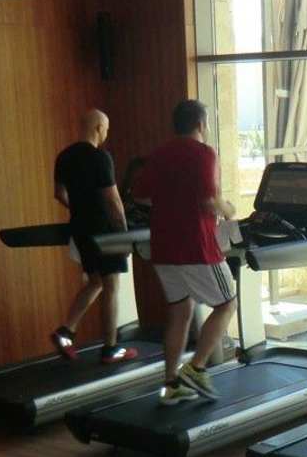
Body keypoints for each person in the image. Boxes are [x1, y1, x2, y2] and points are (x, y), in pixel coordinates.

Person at [137, 100, 237, 406]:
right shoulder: (204, 153)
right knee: (227, 304)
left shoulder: (159, 153)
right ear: (201, 124)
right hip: (197, 246)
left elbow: (141, 195)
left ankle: (171, 384)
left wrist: (172, 203)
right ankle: (196, 367)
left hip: (164, 248)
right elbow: (209, 200)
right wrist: (229, 210)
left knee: (180, 313)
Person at [50, 109, 138, 364]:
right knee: (112, 286)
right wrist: (124, 235)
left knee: (96, 281)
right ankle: (111, 348)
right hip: (105, 232)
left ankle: (66, 330)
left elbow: (59, 193)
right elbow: (113, 201)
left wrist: (80, 211)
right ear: (99, 128)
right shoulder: (101, 157)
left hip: (80, 229)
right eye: (106, 129)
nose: (106, 134)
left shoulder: (64, 156)